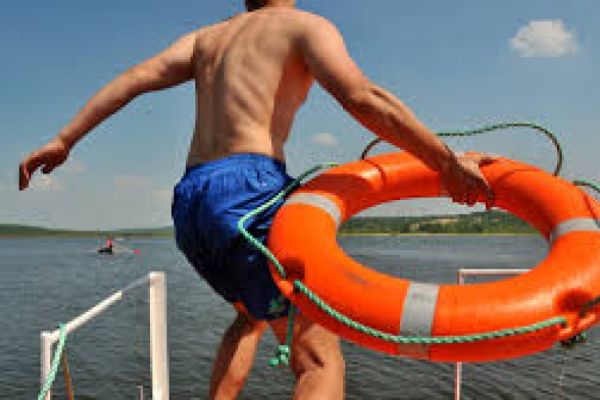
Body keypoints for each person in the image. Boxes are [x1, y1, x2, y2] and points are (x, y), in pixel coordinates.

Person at [19, 0, 494, 398]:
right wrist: (445, 161)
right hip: (250, 191)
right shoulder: (304, 26)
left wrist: (65, 139)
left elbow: (135, 77)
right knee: (318, 359)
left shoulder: (207, 38)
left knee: (249, 318)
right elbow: (362, 96)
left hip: (192, 202)